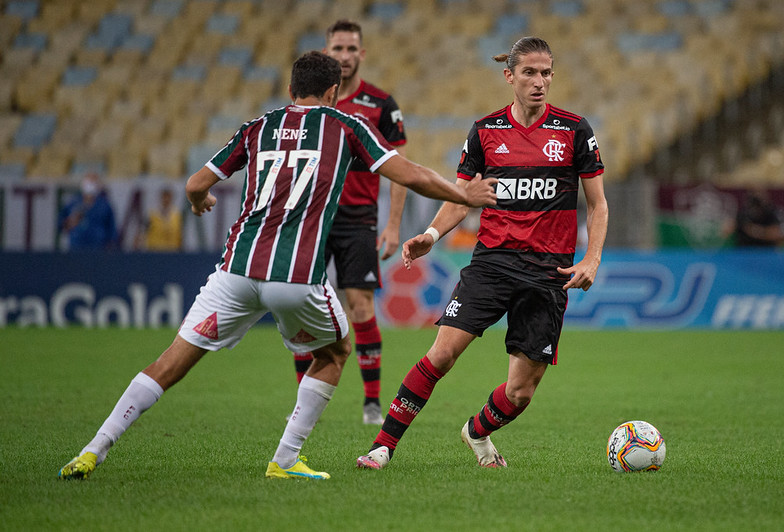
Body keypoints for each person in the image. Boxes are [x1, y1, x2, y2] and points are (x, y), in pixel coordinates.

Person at [58, 51, 497, 481]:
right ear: (333, 91)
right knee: (336, 351)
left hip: (235, 270)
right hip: (295, 275)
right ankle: (285, 459)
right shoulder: (346, 126)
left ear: (290, 89)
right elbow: (411, 174)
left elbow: (195, 184)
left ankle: (92, 449)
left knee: (170, 363)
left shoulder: (258, 126)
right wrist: (463, 195)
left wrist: (199, 201)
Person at [356, 37, 609, 470]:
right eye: (529, 73)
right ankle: (382, 447)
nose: (539, 81)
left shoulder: (574, 131)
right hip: (492, 262)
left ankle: (476, 431)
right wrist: (431, 234)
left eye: (546, 73)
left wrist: (592, 259)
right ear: (509, 76)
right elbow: (461, 198)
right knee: (441, 354)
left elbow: (598, 205)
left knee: (520, 393)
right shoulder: (485, 131)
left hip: (547, 273)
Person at [291, 20, 408, 425]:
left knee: (360, 306)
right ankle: (303, 404)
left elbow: (399, 169)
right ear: (326, 52)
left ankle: (372, 403)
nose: (344, 55)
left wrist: (393, 226)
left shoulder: (381, 104)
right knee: (302, 306)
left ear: (362, 53)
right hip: (312, 217)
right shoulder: (311, 100)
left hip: (358, 220)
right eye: (338, 48)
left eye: (351, 48)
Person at [58, 172, 118, 250]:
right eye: (89, 181)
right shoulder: (73, 202)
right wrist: (69, 223)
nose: (90, 184)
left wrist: (111, 244)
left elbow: (112, 228)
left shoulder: (104, 205)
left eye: (93, 181)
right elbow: (61, 222)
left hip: (98, 248)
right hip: (76, 246)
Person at [139, 187, 183, 251]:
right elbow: (143, 232)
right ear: (161, 198)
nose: (166, 200)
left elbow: (180, 235)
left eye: (168, 198)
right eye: (164, 197)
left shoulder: (177, 216)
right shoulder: (152, 215)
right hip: (155, 250)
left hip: (172, 251)